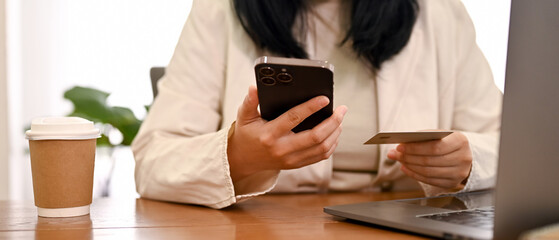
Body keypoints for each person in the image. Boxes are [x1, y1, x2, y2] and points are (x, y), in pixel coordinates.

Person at [131, 0, 502, 209]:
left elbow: (512, 144)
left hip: (405, 225)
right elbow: (152, 160)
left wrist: (470, 160)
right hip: (263, 227)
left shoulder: (438, 13)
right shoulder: (219, 10)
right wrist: (239, 157)